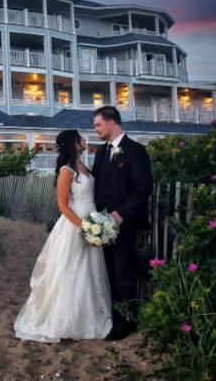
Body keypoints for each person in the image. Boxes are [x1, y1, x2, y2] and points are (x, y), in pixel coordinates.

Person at [14, 130, 112, 342]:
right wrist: (84, 226)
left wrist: (96, 223)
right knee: (70, 270)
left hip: (92, 218)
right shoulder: (66, 171)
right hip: (74, 225)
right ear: (73, 144)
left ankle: (86, 318)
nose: (85, 140)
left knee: (88, 271)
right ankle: (63, 321)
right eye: (81, 138)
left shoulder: (84, 167)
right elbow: (62, 205)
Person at [91, 106, 153, 340]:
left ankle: (124, 324)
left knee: (122, 272)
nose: (95, 129)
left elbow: (143, 187)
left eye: (98, 125)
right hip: (102, 223)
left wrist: (121, 214)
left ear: (111, 123)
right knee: (107, 272)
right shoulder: (100, 152)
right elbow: (98, 184)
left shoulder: (136, 151)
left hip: (125, 224)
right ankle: (110, 319)